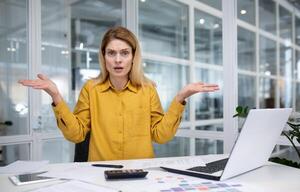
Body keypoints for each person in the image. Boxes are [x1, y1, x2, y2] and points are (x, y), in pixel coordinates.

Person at [19, 26, 219, 161]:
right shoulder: (91, 89)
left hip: (141, 174)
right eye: (111, 53)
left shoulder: (148, 89)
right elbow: (76, 134)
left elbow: (161, 136)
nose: (118, 60)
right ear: (104, 56)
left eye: (124, 53)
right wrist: (56, 97)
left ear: (133, 57)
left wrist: (180, 98)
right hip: (99, 174)